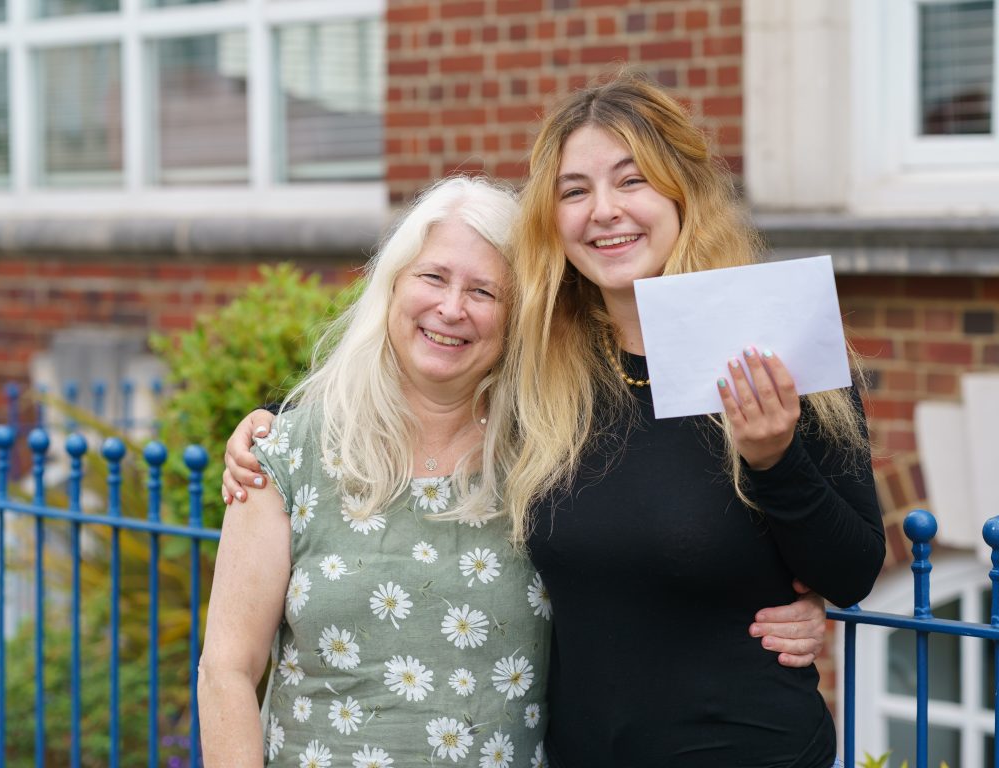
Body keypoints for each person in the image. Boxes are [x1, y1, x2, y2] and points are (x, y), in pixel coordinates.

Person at [220, 73, 865, 768]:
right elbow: (427, 372)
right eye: (575, 191)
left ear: (684, 192)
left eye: (632, 180)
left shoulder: (780, 345)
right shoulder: (553, 373)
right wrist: (273, 426)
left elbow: (853, 569)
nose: (605, 211)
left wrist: (776, 462)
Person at [199, 177, 553, 767]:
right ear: (392, 286)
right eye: (433, 277)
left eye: (485, 291)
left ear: (516, 317)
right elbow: (228, 669)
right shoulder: (288, 454)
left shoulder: (548, 462)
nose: (452, 308)